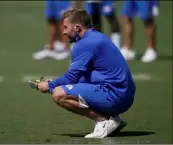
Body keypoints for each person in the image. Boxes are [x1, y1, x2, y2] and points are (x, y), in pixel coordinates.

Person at [36, 9, 136, 138]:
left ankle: (103, 121)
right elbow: (78, 77)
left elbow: (71, 77)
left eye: (66, 27)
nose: (64, 32)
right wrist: (54, 83)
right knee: (70, 84)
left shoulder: (84, 44)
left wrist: (49, 86)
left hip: (116, 95)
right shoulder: (96, 36)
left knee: (58, 94)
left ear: (77, 27)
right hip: (124, 94)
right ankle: (112, 119)